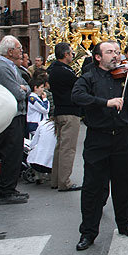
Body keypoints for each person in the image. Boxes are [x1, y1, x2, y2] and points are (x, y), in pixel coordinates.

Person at [71, 41, 128, 250]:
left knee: (124, 183)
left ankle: (124, 223)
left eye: (117, 52)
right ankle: (88, 232)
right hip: (98, 138)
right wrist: (105, 102)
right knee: (93, 187)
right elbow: (77, 96)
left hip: (122, 137)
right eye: (110, 52)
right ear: (98, 57)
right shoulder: (88, 78)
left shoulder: (124, 77)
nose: (115, 56)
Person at [0, 35, 31, 204]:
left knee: (15, 153)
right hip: (10, 116)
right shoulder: (1, 68)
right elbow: (18, 92)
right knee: (10, 152)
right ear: (10, 51)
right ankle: (5, 192)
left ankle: (10, 188)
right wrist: (23, 90)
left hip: (17, 114)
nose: (21, 51)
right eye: (19, 48)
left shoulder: (12, 66)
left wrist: (24, 89)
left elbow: (27, 86)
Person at [47, 42, 83, 192]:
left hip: (60, 112)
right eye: (71, 53)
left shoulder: (53, 70)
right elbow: (78, 85)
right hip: (70, 113)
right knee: (68, 149)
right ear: (66, 54)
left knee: (60, 147)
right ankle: (64, 182)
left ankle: (55, 179)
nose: (73, 55)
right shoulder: (65, 72)